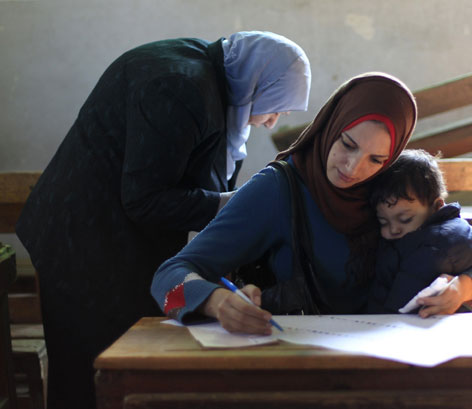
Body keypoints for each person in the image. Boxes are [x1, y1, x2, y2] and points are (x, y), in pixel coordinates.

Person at [15, 31, 311, 409]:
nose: (272, 122)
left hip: (108, 233)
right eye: (278, 105)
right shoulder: (181, 87)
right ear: (258, 80)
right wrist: (228, 206)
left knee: (118, 364)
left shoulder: (214, 78)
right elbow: (145, 199)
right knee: (93, 366)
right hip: (85, 239)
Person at [151, 72, 472, 335]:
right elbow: (169, 274)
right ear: (331, 125)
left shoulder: (391, 189)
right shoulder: (279, 189)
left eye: (376, 159)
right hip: (300, 362)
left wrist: (461, 289)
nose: (353, 169)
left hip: (394, 361)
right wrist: (216, 302)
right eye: (348, 144)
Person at [367, 149, 472, 315]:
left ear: (437, 207)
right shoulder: (397, 239)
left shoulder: (443, 239)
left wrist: (464, 287)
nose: (393, 229)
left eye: (405, 219)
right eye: (383, 222)